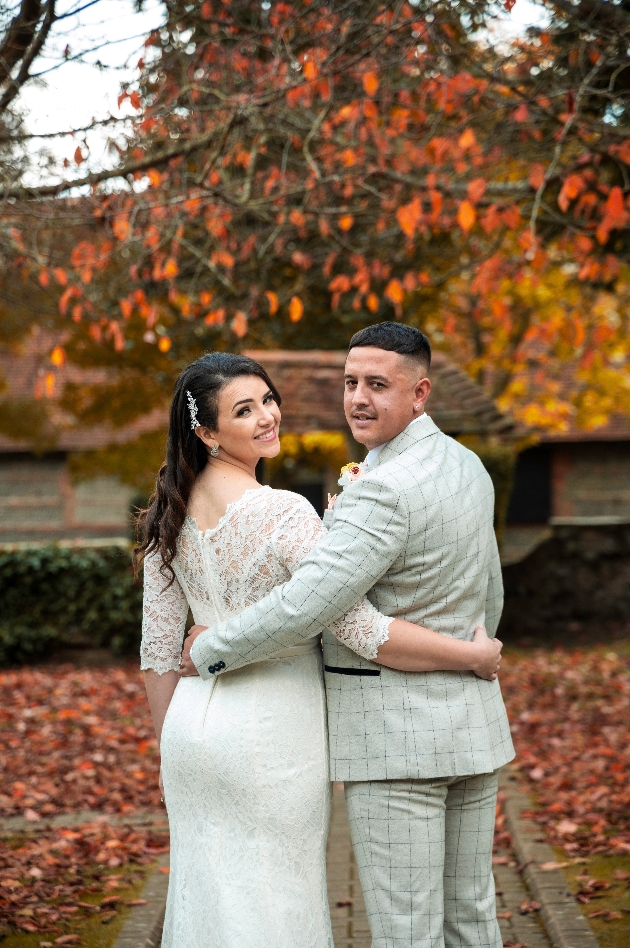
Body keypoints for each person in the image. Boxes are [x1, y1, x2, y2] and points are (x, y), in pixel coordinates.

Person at [137, 350, 503, 948]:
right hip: (273, 730)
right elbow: (356, 628)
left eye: (267, 400)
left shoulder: (166, 517)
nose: (267, 418)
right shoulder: (283, 511)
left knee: (211, 895)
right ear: (206, 431)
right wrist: (470, 656)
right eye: (245, 410)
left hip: (189, 733)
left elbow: (157, 654)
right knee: (278, 894)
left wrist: (166, 752)